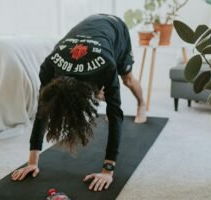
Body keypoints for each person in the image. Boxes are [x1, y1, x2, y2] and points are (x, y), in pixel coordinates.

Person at [11, 14, 146, 192]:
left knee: (127, 80)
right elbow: (42, 111)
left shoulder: (106, 65)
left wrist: (108, 171)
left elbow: (115, 114)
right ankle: (99, 92)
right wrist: (32, 162)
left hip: (115, 28)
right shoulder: (49, 66)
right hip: (89, 30)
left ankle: (142, 104)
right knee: (100, 92)